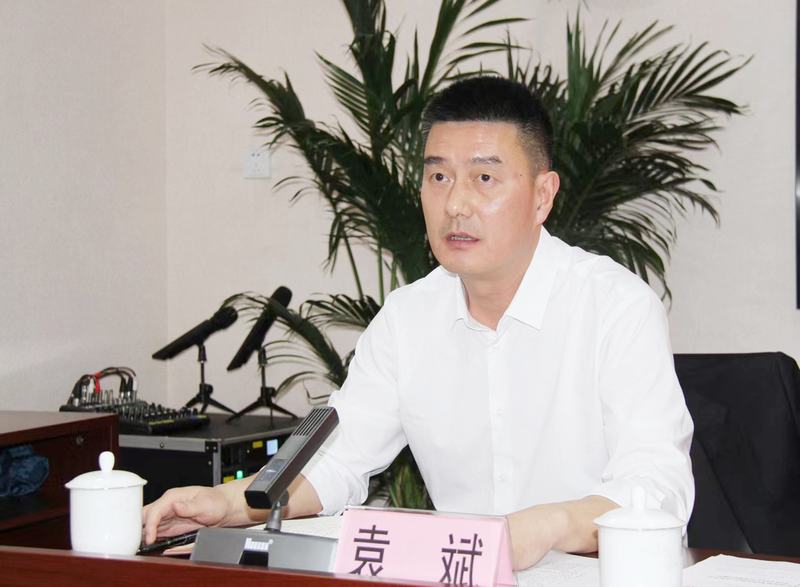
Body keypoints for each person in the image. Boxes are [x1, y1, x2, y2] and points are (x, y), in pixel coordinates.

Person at [142, 76, 694, 570]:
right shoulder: (408, 319)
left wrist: (545, 526)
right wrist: (227, 504)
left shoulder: (615, 307)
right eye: (438, 176)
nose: (456, 204)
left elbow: (657, 487)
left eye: (484, 178)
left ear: (542, 196)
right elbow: (340, 459)